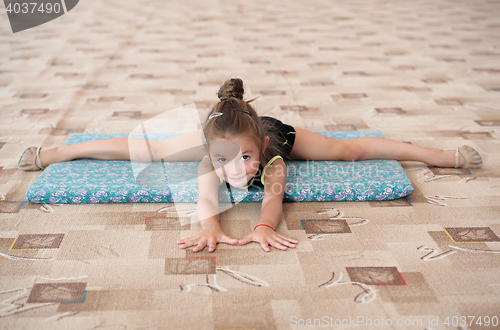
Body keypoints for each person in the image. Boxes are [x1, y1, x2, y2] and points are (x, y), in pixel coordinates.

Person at [18, 78, 483, 253]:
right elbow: (206, 200)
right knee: (152, 148)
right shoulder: (211, 157)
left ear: (260, 146)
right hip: (216, 133)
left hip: (277, 129)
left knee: (351, 151)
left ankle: (438, 155)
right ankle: (57, 153)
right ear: (209, 152)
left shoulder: (273, 153)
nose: (237, 169)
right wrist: (211, 228)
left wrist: (262, 227)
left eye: (245, 158)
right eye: (224, 161)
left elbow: (273, 199)